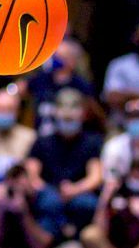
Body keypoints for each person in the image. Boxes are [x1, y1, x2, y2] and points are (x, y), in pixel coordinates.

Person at [25, 88, 103, 230]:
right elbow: (32, 175)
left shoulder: (92, 142)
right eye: (65, 117)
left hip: (79, 192)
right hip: (48, 191)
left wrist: (74, 189)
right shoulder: (42, 141)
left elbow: (96, 177)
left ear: (83, 114)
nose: (68, 119)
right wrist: (50, 191)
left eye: (71, 118)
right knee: (49, 203)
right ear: (55, 113)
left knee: (88, 204)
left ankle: (77, 241)